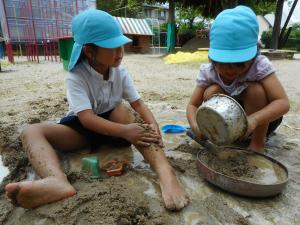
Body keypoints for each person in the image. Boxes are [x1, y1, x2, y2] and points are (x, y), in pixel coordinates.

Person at [5, 9, 189, 210]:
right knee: (30, 131)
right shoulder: (76, 77)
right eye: (111, 47)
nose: (120, 52)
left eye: (121, 46)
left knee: (122, 109)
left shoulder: (120, 73)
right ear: (89, 51)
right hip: (84, 131)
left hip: (117, 130)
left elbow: (139, 104)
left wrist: (153, 125)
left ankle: (165, 173)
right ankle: (56, 180)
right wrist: (126, 131)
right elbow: (86, 120)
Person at [186, 6, 289, 152]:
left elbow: (283, 103)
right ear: (212, 58)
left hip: (260, 122)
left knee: (256, 90)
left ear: (253, 55)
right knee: (212, 90)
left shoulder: (259, 65)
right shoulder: (209, 71)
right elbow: (192, 105)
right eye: (223, 63)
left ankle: (257, 144)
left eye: (239, 64)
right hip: (227, 123)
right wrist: (196, 126)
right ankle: (224, 139)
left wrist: (254, 120)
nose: (230, 70)